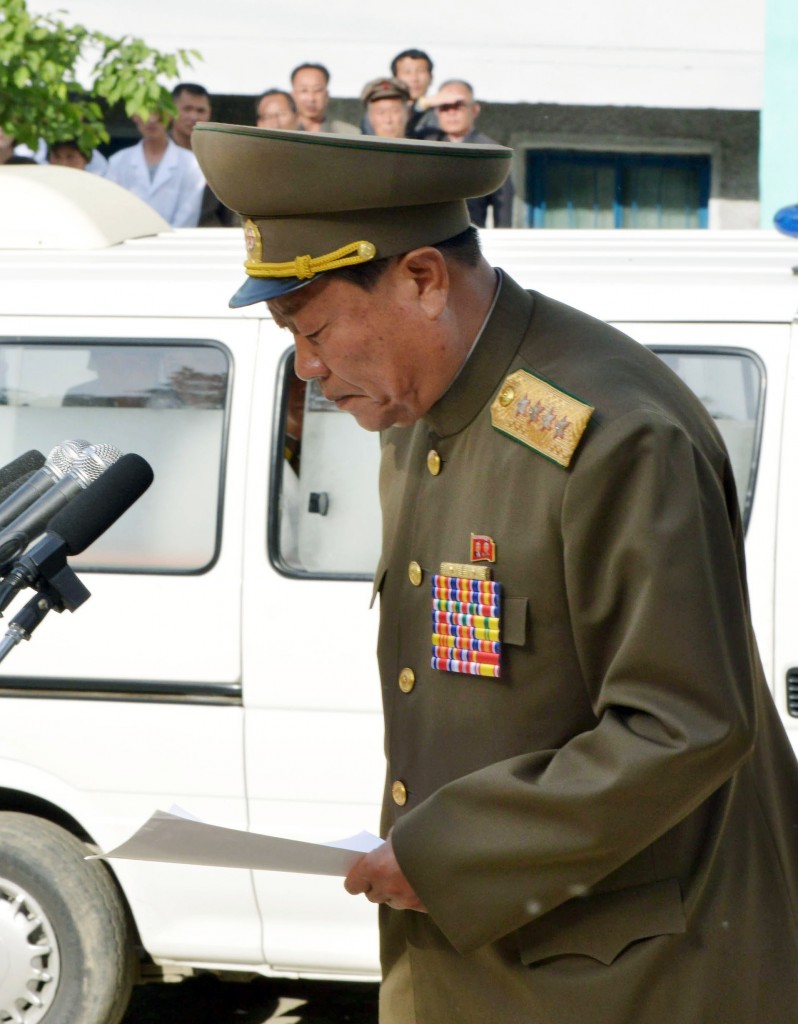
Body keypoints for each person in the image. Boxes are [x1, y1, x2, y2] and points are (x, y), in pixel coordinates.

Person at [192, 123, 798, 1024]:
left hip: (628, 976)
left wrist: (451, 851)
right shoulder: (418, 416)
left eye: (315, 330)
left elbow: (686, 725)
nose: (308, 370)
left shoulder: (613, 434)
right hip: (478, 963)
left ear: (424, 280)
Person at [426, 79, 515, 227]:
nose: (451, 112)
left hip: (468, 237)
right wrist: (426, 102)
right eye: (445, 106)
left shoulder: (489, 150)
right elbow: (403, 121)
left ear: (474, 109)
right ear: (437, 112)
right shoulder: (426, 142)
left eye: (459, 105)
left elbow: (503, 207)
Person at [106, 110, 206, 228]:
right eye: (146, 112)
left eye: (158, 113)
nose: (152, 120)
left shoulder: (191, 163)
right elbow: (111, 208)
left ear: (169, 116)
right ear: (134, 116)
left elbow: (189, 214)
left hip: (175, 242)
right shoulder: (118, 161)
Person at [169, 82, 237, 227]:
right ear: (170, 111)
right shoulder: (157, 151)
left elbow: (230, 212)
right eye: (187, 109)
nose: (194, 116)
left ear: (209, 113)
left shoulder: (220, 157)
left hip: (209, 238)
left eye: (200, 111)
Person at [290, 63, 360, 134]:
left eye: (317, 90)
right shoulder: (282, 129)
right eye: (304, 90)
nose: (311, 98)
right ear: (293, 95)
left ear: (327, 94)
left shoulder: (348, 133)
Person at [390, 48, 440, 138]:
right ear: (394, 79)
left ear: (431, 78)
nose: (414, 79)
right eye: (407, 72)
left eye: (421, 71)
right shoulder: (381, 113)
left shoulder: (441, 114)